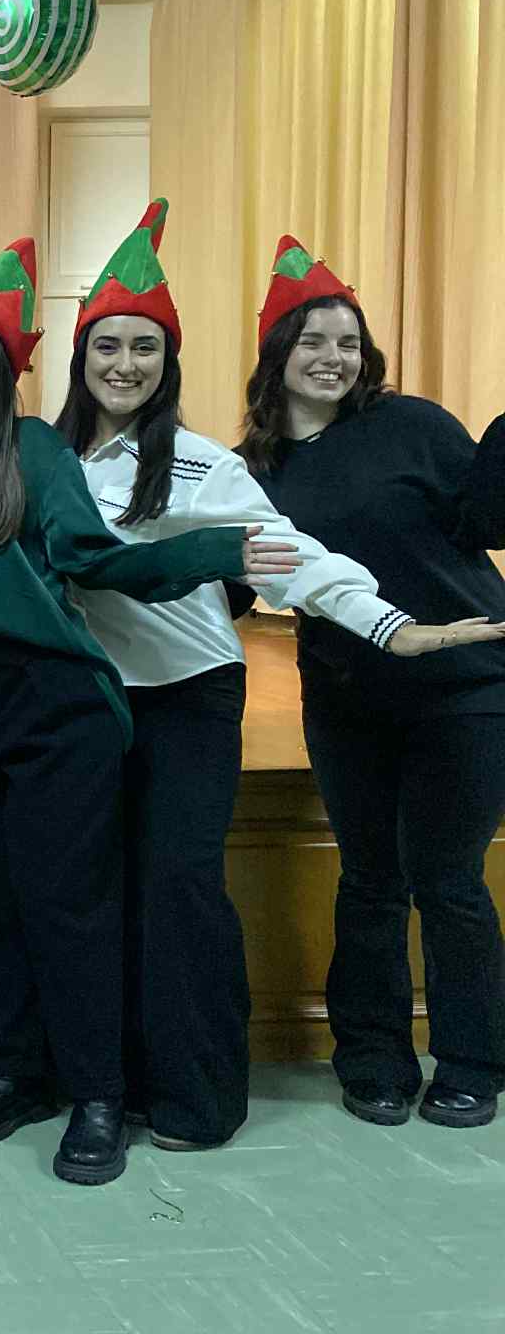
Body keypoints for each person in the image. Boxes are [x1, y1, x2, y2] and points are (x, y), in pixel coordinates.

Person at [54, 202, 501, 1150]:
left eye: (145, 347)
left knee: (424, 881)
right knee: (346, 881)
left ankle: (445, 1066)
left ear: (168, 363)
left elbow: (295, 554)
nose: (124, 364)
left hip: (354, 689)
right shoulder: (61, 459)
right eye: (107, 346)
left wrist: (392, 625)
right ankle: (131, 1080)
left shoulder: (212, 462)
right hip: (139, 700)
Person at [0, 236, 297, 1186]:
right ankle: (18, 1072)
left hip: (55, 699)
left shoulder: (31, 450)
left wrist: (218, 555)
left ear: (2, 371)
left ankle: (99, 1095)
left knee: (68, 903)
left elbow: (95, 559)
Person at [238, 236, 505, 1130]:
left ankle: (471, 1059)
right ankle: (373, 1057)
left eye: (348, 343)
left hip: (465, 686)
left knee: (449, 879)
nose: (334, 357)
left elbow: (485, 519)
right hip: (346, 695)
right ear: (279, 354)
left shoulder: (415, 426)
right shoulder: (255, 468)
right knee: (369, 879)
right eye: (313, 341)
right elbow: (240, 578)